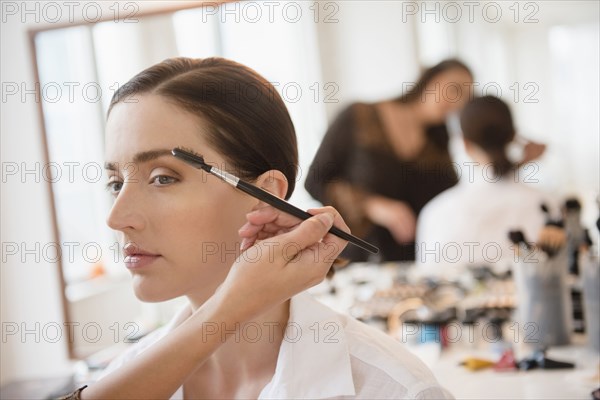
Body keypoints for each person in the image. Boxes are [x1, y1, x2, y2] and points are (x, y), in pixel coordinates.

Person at [60, 58, 451, 399]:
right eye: (115, 183)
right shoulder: (120, 382)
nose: (117, 217)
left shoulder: (396, 390)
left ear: (264, 196)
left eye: (163, 178)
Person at [305, 59, 474, 262]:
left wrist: (507, 167)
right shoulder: (359, 116)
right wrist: (371, 206)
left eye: (465, 98)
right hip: (358, 263)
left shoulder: (440, 140)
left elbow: (451, 201)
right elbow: (315, 181)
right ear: (430, 78)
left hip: (415, 267)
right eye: (454, 89)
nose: (456, 102)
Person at [415, 95, 557, 277]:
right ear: (514, 136)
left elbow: (427, 282)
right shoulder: (548, 205)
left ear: (464, 143)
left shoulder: (436, 213)